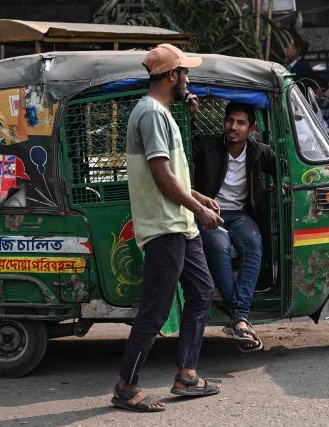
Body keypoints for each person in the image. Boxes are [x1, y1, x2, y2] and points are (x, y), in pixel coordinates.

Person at [112, 44, 223, 412]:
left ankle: (187, 374)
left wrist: (199, 198)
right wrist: (198, 208)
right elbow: (161, 177)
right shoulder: (151, 115)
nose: (188, 79)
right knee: (155, 310)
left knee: (202, 291)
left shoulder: (161, 112)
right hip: (165, 226)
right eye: (185, 73)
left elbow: (170, 174)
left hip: (180, 223)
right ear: (172, 76)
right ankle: (126, 386)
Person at [192, 101, 276, 352]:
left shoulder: (260, 152)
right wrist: (192, 116)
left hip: (239, 215)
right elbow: (182, 146)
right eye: (230, 121)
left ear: (251, 128)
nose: (233, 127)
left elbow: (287, 167)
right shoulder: (206, 146)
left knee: (253, 244)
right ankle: (240, 316)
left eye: (240, 123)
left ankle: (238, 315)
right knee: (219, 246)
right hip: (208, 213)